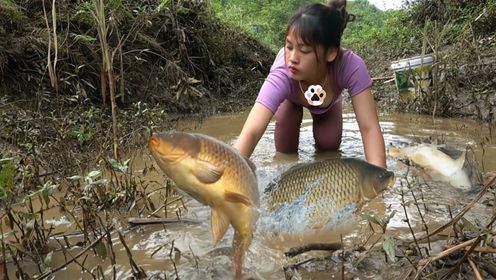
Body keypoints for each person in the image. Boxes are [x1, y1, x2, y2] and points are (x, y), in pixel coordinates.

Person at [234, 0, 387, 168]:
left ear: (330, 53)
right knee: (285, 151)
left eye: (304, 50)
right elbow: (251, 131)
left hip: (327, 103)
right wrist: (229, 174)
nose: (292, 58)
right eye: (289, 46)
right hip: (290, 100)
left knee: (329, 147)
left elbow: (369, 128)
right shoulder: (283, 71)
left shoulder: (350, 66)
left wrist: (379, 179)